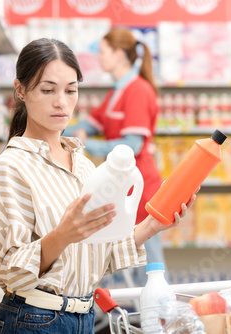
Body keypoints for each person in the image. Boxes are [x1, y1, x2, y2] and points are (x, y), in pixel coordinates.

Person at [0, 38, 196, 333]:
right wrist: (62, 235)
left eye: (71, 90)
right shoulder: (9, 169)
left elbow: (96, 254)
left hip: (83, 317)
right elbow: (12, 271)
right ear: (21, 90)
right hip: (34, 320)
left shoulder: (82, 163)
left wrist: (155, 224)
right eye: (47, 90)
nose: (62, 102)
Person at [64, 28, 165, 285]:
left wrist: (88, 146)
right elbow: (91, 122)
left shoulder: (138, 91)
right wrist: (61, 128)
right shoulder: (116, 92)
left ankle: (158, 319)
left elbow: (132, 145)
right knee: (128, 252)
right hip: (121, 184)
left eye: (103, 52)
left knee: (147, 260)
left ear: (119, 54)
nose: (98, 57)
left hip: (140, 187)